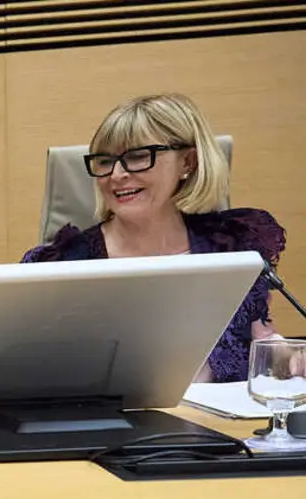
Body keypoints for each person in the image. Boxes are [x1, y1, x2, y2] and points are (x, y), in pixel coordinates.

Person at [22, 93, 287, 383]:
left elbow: (265, 344)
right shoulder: (64, 264)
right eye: (105, 161)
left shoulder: (231, 248)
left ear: (187, 162)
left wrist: (288, 356)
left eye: (137, 157)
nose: (116, 174)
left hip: (219, 413)